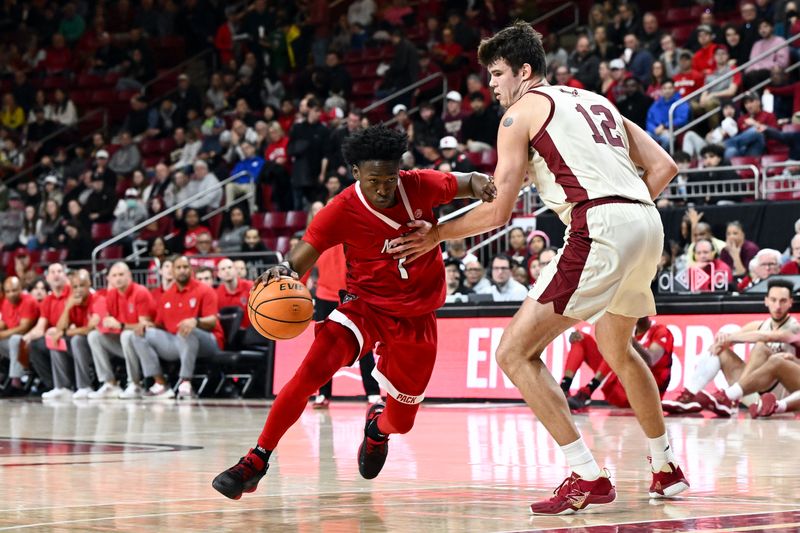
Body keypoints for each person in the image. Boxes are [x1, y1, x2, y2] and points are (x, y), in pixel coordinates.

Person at [389, 23, 688, 514]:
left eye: (498, 74)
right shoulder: (596, 101)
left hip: (600, 224)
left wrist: (437, 233)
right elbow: (663, 168)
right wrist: (625, 214)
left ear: (525, 72)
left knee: (514, 353)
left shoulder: (518, 116)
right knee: (618, 346)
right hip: (646, 222)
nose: (493, 86)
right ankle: (665, 464)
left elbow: (499, 212)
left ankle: (587, 475)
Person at [211, 126, 496, 500]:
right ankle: (256, 460)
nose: (383, 188)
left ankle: (377, 431)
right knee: (308, 374)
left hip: (416, 317)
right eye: (374, 179)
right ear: (356, 173)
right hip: (364, 307)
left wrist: (486, 185)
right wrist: (285, 270)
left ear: (400, 171)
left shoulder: (421, 185)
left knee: (402, 423)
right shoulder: (341, 209)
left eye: (390, 178)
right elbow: (304, 251)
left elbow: (470, 182)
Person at [664, 279, 798, 416]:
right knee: (720, 350)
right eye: (774, 300)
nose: (777, 306)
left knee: (760, 348)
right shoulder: (759, 325)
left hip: (782, 393)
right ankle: (688, 396)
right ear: (766, 301)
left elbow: (769, 337)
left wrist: (731, 337)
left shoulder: (795, 328)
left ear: (790, 302)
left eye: (783, 301)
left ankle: (730, 397)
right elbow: (727, 342)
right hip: (753, 391)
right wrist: (723, 340)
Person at [307, 243, 382, 409]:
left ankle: (373, 392)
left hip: (351, 294)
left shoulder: (351, 231)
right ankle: (323, 394)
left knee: (364, 345)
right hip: (324, 296)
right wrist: (300, 285)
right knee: (323, 348)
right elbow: (306, 259)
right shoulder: (320, 236)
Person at [138, 256, 224, 399]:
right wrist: (147, 325)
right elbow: (160, 325)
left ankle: (185, 383)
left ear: (191, 270)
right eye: (178, 268)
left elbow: (213, 321)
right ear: (172, 271)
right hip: (176, 342)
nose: (182, 270)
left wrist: (196, 321)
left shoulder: (204, 290)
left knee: (187, 330)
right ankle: (160, 384)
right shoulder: (167, 295)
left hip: (208, 341)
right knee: (140, 335)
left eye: (185, 267)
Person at [563, 317, 674, 410]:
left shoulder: (661, 331)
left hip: (645, 397)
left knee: (617, 346)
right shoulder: (629, 332)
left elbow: (650, 360)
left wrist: (626, 340)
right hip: (620, 388)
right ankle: (563, 390)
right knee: (580, 337)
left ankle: (587, 391)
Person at [86, 262, 154, 400]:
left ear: (129, 275)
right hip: (124, 344)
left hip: (143, 343)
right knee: (94, 336)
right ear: (109, 279)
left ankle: (135, 384)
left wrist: (121, 325)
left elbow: (145, 326)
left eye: (121, 274)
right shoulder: (111, 295)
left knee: (126, 335)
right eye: (114, 275)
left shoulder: (140, 292)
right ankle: (109, 383)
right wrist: (99, 322)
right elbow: (110, 323)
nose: (118, 278)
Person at [44, 269, 99, 400]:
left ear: (89, 284)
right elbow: (59, 328)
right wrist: (67, 307)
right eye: (75, 287)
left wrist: (68, 332)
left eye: (82, 285)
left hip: (96, 345)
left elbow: (90, 329)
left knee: (77, 340)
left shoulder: (96, 299)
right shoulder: (72, 302)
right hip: (81, 345)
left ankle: (84, 386)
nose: (78, 290)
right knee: (56, 339)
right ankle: (62, 387)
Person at [27, 264, 70, 395]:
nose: (56, 274)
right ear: (48, 278)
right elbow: (40, 328)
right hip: (55, 337)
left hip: (70, 334)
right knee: (34, 344)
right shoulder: (48, 300)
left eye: (59, 271)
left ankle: (65, 386)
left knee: (53, 341)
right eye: (53, 272)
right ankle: (52, 385)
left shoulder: (72, 294)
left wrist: (58, 330)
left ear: (65, 276)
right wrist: (26, 338)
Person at [0, 276, 40, 396]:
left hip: (29, 343)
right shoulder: (6, 303)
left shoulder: (29, 301)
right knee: (12, 340)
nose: (11, 294)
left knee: (15, 339)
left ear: (21, 289)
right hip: (13, 344)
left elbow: (24, 328)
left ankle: (16, 383)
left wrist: (2, 334)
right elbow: (4, 323)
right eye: (8, 291)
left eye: (14, 290)